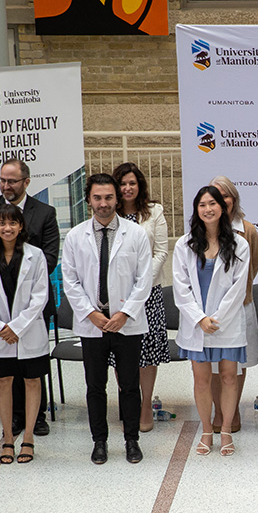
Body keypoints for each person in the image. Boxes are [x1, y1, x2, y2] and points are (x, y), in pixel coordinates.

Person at [61, 173, 153, 465]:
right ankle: (99, 441)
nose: (103, 203)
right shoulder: (76, 236)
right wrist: (92, 314)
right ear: (88, 199)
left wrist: (125, 313)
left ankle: (131, 441)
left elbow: (144, 278)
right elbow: (70, 281)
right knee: (95, 386)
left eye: (109, 197)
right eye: (98, 198)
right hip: (93, 324)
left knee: (128, 385)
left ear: (118, 198)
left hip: (127, 323)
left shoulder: (135, 233)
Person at [0, 158, 59, 437]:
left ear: (26, 182)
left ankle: (37, 417)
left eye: (12, 181)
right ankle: (14, 418)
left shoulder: (45, 212)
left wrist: (23, 269)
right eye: (2, 180)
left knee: (32, 366)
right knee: (7, 369)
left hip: (32, 300)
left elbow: (50, 256)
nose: (6, 186)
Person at [173, 185, 249, 457]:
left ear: (223, 207)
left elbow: (238, 288)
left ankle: (226, 430)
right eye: (202, 204)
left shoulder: (240, 244)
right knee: (201, 379)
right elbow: (181, 288)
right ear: (197, 210)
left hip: (225, 323)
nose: (208, 209)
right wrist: (200, 318)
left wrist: (215, 319)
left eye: (213, 203)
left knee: (229, 377)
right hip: (196, 324)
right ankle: (207, 430)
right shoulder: (184, 244)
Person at [0, 205, 50, 465]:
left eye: (13, 223)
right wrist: (0, 327)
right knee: (3, 381)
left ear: (21, 226)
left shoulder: (35, 255)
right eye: (2, 223)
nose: (8, 228)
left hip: (28, 332)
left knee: (31, 381)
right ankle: (7, 438)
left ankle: (28, 437)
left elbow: (40, 297)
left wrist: (17, 327)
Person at [112, 162, 170, 433]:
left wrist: (143, 282)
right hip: (118, 295)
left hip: (148, 293)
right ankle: (128, 402)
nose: (127, 188)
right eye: (122, 183)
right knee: (120, 351)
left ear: (140, 186)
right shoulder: (109, 214)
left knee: (147, 352)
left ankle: (146, 404)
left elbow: (161, 251)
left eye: (132, 183)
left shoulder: (154, 211)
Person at [209, 175, 258, 435]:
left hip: (241, 306)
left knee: (237, 364)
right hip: (211, 311)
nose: (221, 200)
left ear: (233, 199)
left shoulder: (248, 230)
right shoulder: (202, 229)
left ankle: (232, 410)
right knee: (213, 364)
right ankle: (218, 411)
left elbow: (254, 266)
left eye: (226, 195)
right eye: (215, 195)